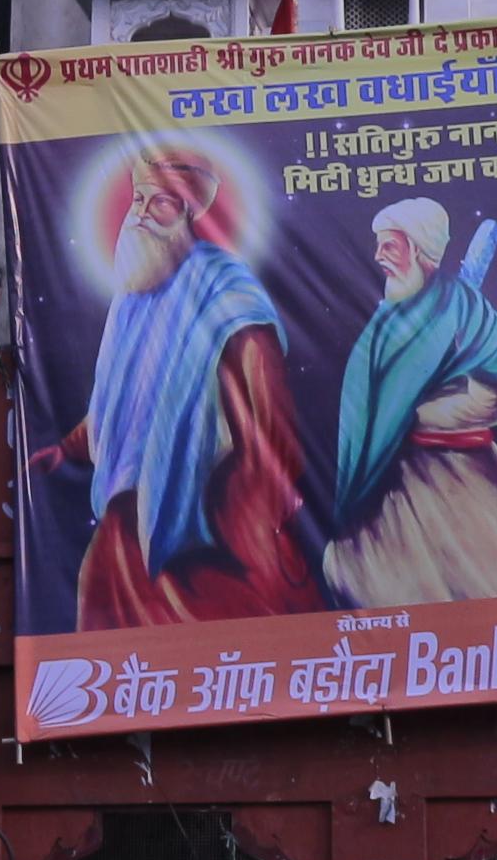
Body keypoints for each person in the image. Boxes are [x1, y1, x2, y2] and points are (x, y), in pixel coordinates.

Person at [42, 141, 328, 622]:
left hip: (210, 522)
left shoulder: (230, 302)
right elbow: (120, 405)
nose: (142, 214)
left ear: (189, 214)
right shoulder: (135, 294)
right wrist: (68, 448)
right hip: (130, 516)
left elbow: (267, 430)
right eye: (138, 200)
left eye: (161, 202)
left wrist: (248, 524)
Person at [322, 200, 497, 608]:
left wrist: (417, 415)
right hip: (393, 482)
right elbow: (368, 395)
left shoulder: (465, 311)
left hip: (459, 480)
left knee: (480, 590)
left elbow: (492, 394)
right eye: (378, 246)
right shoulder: (391, 318)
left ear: (418, 249)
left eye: (390, 246)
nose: (379, 256)